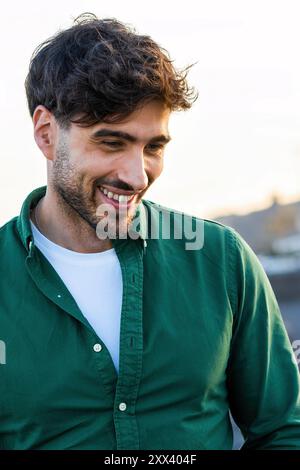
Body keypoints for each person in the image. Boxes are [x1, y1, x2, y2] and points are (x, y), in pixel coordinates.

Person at [0, 12, 299, 451]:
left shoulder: (222, 261)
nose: (137, 175)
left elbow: (284, 429)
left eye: (153, 147)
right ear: (47, 134)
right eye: (112, 142)